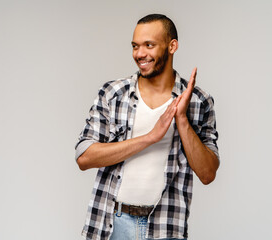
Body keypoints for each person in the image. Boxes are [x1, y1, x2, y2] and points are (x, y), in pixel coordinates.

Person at [75, 14, 219, 240]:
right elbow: (84, 157)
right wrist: (150, 137)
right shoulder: (114, 94)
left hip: (165, 226)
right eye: (135, 46)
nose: (139, 54)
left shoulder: (199, 101)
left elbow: (207, 173)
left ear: (172, 46)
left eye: (149, 45)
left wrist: (182, 119)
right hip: (113, 224)